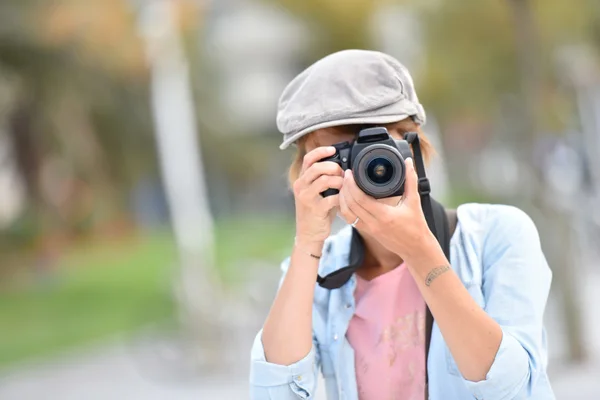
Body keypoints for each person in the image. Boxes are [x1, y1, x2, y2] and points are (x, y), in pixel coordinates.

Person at [249, 49, 554, 400]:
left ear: (415, 146)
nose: (370, 165)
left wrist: (418, 250)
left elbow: (515, 390)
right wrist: (307, 243)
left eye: (379, 145)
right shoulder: (316, 270)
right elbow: (275, 394)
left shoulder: (498, 236)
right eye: (343, 155)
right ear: (308, 171)